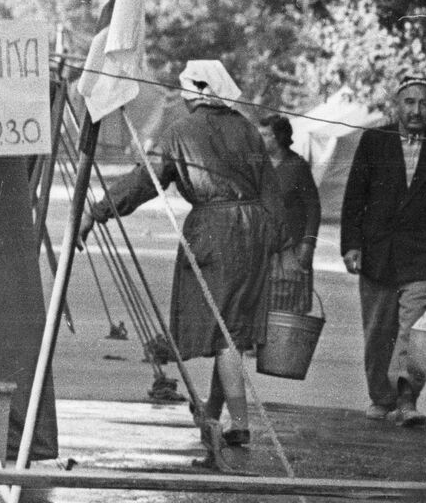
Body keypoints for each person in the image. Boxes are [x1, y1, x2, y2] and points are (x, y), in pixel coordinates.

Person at [79, 60, 289, 464]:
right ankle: (214, 413)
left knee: (222, 330)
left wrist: (99, 211)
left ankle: (239, 420)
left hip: (215, 230)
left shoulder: (182, 131)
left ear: (201, 89)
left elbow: (146, 181)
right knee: (231, 326)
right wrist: (282, 244)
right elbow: (270, 189)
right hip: (255, 229)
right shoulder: (246, 128)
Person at [340, 74, 426, 426]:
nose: (417, 110)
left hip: (425, 254)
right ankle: (381, 398)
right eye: (409, 102)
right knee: (379, 330)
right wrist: (351, 245)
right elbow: (355, 195)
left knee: (416, 329)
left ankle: (407, 396)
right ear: (396, 105)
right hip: (377, 252)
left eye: (424, 103)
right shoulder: (374, 141)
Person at [259, 115, 320, 316]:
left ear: (280, 137)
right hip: (262, 247)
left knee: (289, 309)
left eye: (266, 135)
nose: (261, 139)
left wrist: (308, 244)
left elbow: (313, 208)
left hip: (292, 249)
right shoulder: (258, 164)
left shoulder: (297, 166)